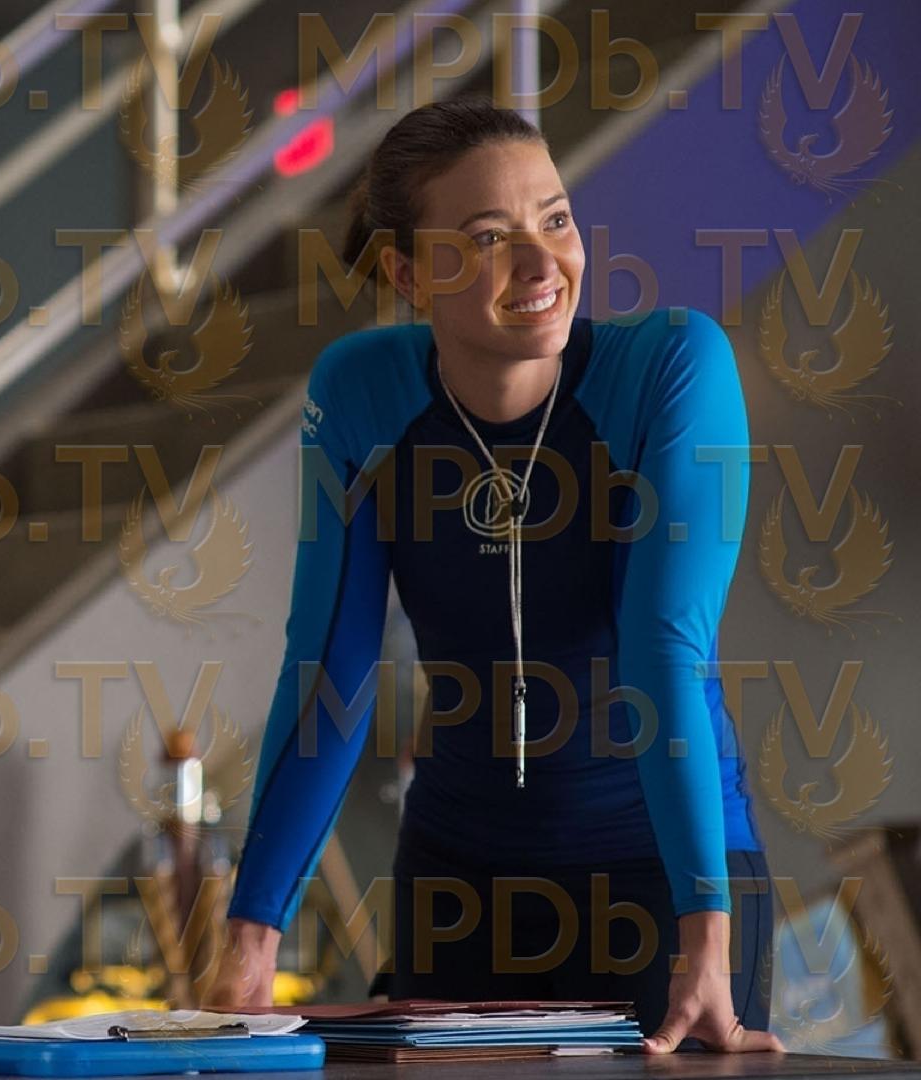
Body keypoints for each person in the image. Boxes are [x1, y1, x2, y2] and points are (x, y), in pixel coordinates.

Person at [204, 99, 781, 1055]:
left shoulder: (670, 368)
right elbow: (329, 672)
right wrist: (250, 939)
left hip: (663, 875)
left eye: (555, 218)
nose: (541, 263)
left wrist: (708, 937)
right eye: (486, 238)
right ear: (406, 272)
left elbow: (662, 649)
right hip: (459, 877)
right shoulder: (361, 393)